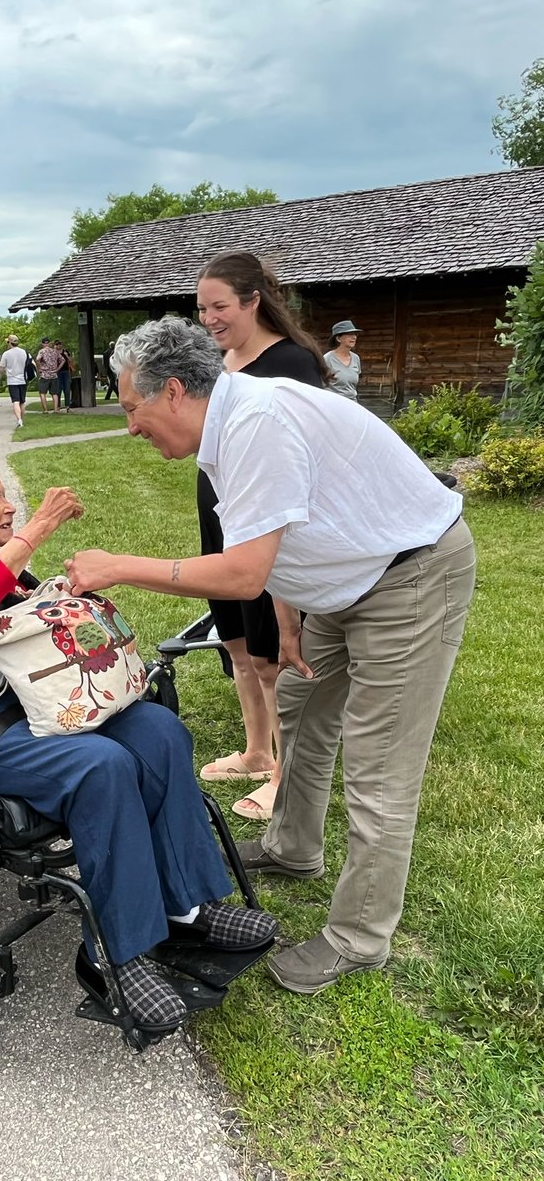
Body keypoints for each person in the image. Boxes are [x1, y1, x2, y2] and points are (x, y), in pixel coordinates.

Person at [66, 316, 476, 996]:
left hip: (409, 579)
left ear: (172, 391)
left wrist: (117, 565)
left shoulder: (256, 422)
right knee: (299, 704)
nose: (131, 427)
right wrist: (289, 620)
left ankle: (358, 938)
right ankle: (293, 847)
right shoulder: (225, 422)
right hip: (345, 586)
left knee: (379, 771)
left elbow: (240, 573)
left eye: (132, 408)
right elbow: (277, 532)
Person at [0, 455, 278, 1029]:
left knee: (160, 731)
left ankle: (191, 905)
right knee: (101, 766)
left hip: (29, 701)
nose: (10, 505)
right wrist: (40, 527)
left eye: (5, 496)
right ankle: (117, 954)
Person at [196, 250, 327, 821]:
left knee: (271, 652)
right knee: (237, 642)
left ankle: (282, 774)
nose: (209, 319)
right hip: (222, 514)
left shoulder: (292, 362)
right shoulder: (225, 361)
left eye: (219, 306)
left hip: (265, 522)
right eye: (202, 308)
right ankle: (254, 751)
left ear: (254, 300)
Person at [324, 320, 363, 400]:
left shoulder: (356, 358)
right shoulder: (327, 359)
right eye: (350, 334)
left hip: (352, 403)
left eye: (355, 334)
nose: (354, 337)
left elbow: (354, 386)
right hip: (333, 404)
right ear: (338, 338)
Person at [0, 333, 28, 427]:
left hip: (12, 380)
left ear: (10, 343)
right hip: (23, 379)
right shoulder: (24, 352)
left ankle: (19, 420)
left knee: (15, 401)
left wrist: (3, 374)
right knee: (22, 401)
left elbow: (2, 368)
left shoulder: (6, 354)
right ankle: (21, 419)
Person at [35, 337, 61, 414]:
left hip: (45, 375)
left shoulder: (42, 351)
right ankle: (56, 409)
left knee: (42, 393)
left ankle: (45, 410)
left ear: (42, 344)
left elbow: (37, 359)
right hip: (54, 374)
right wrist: (57, 369)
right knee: (55, 393)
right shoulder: (55, 351)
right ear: (49, 343)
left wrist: (40, 368)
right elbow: (63, 360)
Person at [54, 339, 74, 412]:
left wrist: (66, 355)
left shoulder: (65, 351)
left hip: (66, 372)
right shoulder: (54, 353)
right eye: (57, 344)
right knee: (58, 390)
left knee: (67, 389)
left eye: (59, 344)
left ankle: (68, 406)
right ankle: (58, 406)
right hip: (58, 372)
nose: (58, 346)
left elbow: (71, 360)